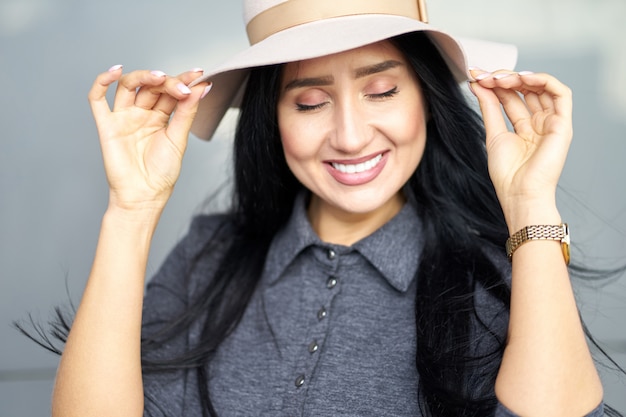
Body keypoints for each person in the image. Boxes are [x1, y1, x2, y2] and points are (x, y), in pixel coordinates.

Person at [39, 0, 613, 416]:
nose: (349, 136)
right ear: (274, 119)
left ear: (428, 102)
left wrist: (529, 202)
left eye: (382, 92)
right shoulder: (210, 257)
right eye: (310, 101)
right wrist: (131, 210)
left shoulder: (500, 271)